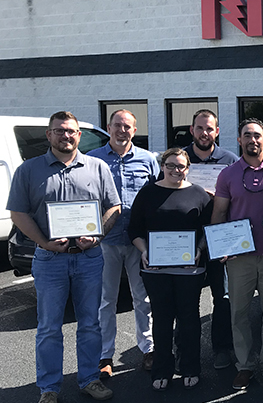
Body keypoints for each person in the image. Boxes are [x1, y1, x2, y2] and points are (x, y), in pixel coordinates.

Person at [8, 111, 121, 403]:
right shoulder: (28, 170)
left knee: (90, 323)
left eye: (70, 131)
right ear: (49, 135)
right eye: (59, 131)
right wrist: (44, 242)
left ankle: (89, 379)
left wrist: (97, 236)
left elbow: (113, 207)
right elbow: (18, 213)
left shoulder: (96, 167)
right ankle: (49, 388)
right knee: (48, 327)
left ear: (79, 135)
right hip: (49, 260)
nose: (65, 135)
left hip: (89, 257)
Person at [211, 118, 263, 390]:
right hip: (239, 259)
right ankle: (244, 365)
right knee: (239, 314)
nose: (252, 140)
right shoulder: (228, 174)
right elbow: (219, 213)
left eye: (257, 135)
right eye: (247, 135)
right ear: (239, 140)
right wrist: (220, 248)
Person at [129, 148, 212, 391]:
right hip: (156, 269)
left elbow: (208, 227)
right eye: (171, 165)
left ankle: (190, 367)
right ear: (162, 166)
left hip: (190, 269)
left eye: (182, 166)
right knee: (162, 320)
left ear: (188, 168)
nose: (177, 170)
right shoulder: (148, 193)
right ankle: (161, 368)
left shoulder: (198, 194)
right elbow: (134, 229)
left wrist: (199, 250)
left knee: (189, 319)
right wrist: (144, 250)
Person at [88, 109, 159, 378]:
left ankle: (148, 348)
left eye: (127, 126)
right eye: (117, 125)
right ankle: (105, 355)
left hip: (138, 241)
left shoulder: (147, 159)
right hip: (105, 240)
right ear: (109, 127)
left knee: (142, 297)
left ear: (134, 129)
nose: (122, 131)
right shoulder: (93, 160)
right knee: (106, 300)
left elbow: (156, 196)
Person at [182, 109, 237, 369]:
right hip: (186, 238)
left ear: (217, 131)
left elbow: (239, 200)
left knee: (222, 296)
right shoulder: (179, 159)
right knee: (186, 299)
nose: (204, 133)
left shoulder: (230, 160)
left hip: (219, 236)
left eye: (209, 128)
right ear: (192, 130)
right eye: (199, 128)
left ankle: (222, 348)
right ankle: (184, 351)